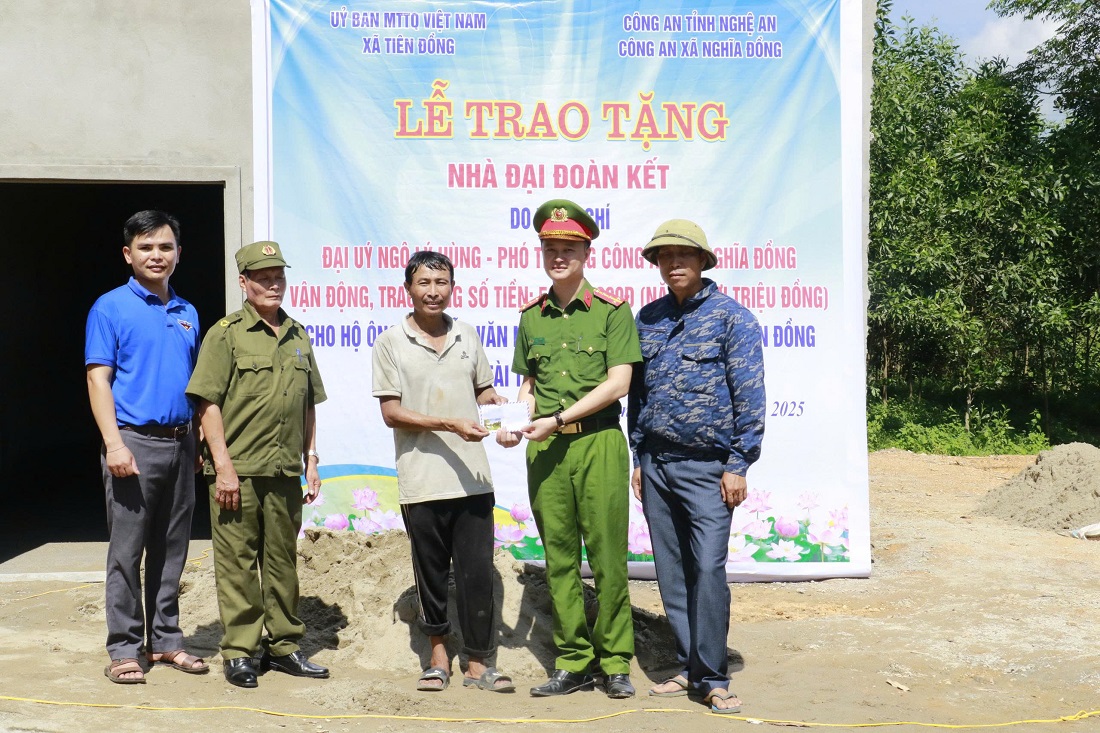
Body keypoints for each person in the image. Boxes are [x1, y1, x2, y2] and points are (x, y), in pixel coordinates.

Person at [498, 199, 641, 698]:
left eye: (569, 249)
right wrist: (515, 422)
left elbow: (619, 382)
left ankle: (616, 661)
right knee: (558, 558)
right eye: (550, 248)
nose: (559, 256)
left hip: (598, 443)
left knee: (607, 558)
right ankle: (574, 659)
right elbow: (529, 384)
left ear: (586, 252)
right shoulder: (531, 317)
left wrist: (557, 419)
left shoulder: (612, 312)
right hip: (546, 454)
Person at [627, 219, 765, 715]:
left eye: (684, 254)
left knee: (707, 569)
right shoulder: (648, 319)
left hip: (709, 468)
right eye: (664, 256)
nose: (673, 263)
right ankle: (688, 664)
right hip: (657, 466)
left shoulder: (733, 319)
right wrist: (638, 456)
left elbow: (750, 395)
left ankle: (712, 676)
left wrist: (739, 463)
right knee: (672, 570)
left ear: (703, 261)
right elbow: (638, 396)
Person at [186, 240, 328, 689]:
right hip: (237, 472)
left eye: (279, 276)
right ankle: (242, 652)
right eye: (263, 277)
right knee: (237, 563)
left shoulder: (298, 335)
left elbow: (308, 404)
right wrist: (223, 467)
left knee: (283, 562)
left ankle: (284, 645)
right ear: (243, 282)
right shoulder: (225, 333)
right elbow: (207, 403)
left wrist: (312, 458)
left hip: (285, 470)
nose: (273, 284)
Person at [372, 251, 515, 693]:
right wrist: (448, 423)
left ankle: (479, 664)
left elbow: (484, 390)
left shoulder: (467, 335)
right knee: (431, 572)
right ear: (408, 288)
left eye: (441, 282)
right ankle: (438, 658)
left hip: (472, 478)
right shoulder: (390, 342)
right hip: (421, 479)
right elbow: (391, 413)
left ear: (452, 286)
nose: (433, 291)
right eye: (424, 282)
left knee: (476, 573)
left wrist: (505, 416)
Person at [86, 209, 208, 684]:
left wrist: (196, 441)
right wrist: (113, 444)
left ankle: (167, 642)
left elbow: (195, 384)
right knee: (126, 552)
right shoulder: (110, 307)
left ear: (178, 253)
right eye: (146, 247)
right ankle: (124, 649)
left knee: (171, 549)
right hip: (132, 444)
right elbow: (99, 380)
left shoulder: (187, 312)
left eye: (165, 247)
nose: (156, 256)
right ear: (127, 254)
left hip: (180, 445)